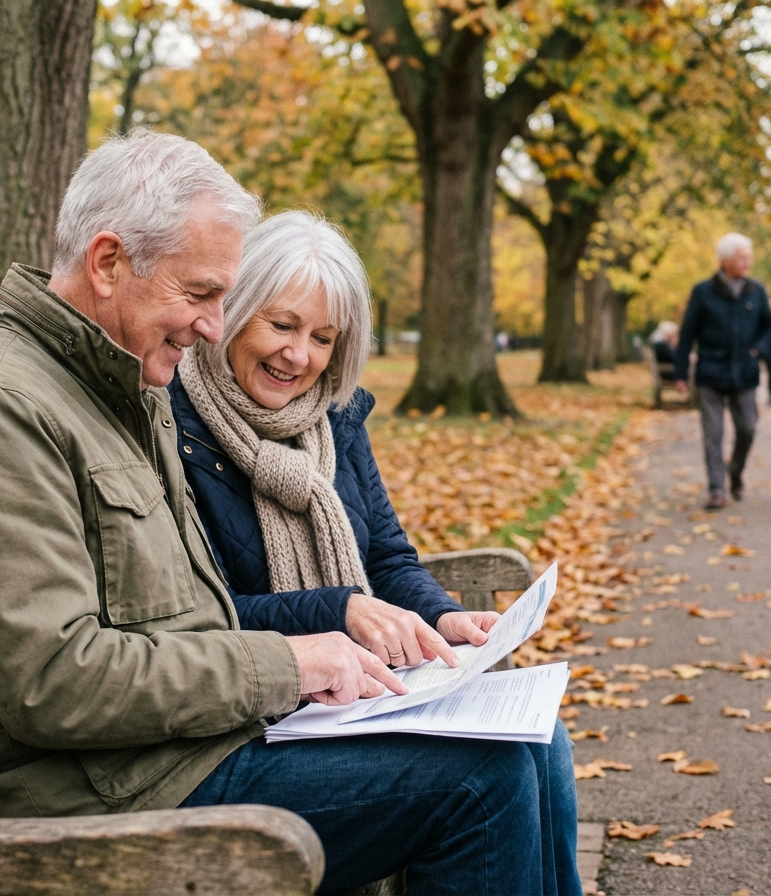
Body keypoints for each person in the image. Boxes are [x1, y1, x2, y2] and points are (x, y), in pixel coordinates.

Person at [0, 131, 569, 895]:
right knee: (481, 779)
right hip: (86, 810)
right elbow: (52, 682)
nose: (213, 324)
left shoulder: (112, 392)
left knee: (518, 743)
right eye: (202, 293)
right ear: (108, 263)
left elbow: (188, 618)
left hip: (171, 759)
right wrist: (294, 661)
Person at [169, 210, 579, 895]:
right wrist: (340, 610)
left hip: (350, 697)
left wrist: (444, 618)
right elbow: (199, 615)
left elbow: (387, 555)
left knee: (544, 741)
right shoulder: (177, 427)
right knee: (491, 779)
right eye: (281, 324)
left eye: (322, 337)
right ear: (235, 310)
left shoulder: (333, 417)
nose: (298, 356)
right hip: (254, 719)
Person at [673, 232, 771, 510]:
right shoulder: (703, 292)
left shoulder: (757, 290)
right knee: (713, 433)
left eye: (748, 257)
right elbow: (687, 334)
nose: (747, 262)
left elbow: (769, 328)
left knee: (748, 429)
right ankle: (717, 488)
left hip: (744, 373)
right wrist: (681, 373)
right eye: (742, 257)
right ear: (725, 261)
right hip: (711, 371)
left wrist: (759, 350)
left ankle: (735, 471)